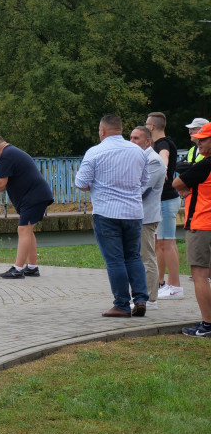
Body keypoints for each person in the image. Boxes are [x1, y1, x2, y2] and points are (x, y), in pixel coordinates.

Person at [75, 115, 149, 317]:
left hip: (106, 213)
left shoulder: (95, 152)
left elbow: (81, 183)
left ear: (102, 131)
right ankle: (141, 299)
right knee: (133, 256)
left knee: (115, 260)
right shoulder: (138, 152)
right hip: (133, 212)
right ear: (121, 130)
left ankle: (122, 305)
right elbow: (144, 181)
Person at [0, 135, 54, 279]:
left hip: (34, 196)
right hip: (36, 195)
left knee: (23, 229)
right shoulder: (11, 153)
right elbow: (5, 185)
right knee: (28, 230)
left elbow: (1, 183)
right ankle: (32, 268)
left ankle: (17, 269)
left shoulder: (6, 156)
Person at [171, 121, 211, 337]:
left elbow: (177, 183)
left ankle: (207, 324)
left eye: (204, 138)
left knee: (200, 276)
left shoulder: (206, 164)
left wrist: (188, 184)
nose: (198, 141)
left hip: (201, 223)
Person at [146, 112, 183, 300]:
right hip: (163, 200)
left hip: (167, 199)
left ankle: (175, 286)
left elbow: (164, 156)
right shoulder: (162, 143)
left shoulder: (163, 144)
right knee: (161, 243)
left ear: (151, 127)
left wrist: (161, 169)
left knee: (167, 243)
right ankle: (161, 282)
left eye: (146, 124)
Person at [129, 125, 167, 312]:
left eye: (136, 138)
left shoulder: (154, 161)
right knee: (137, 256)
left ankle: (151, 298)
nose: (132, 141)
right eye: (131, 137)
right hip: (136, 215)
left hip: (146, 216)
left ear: (148, 142)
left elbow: (142, 190)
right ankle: (140, 295)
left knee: (146, 257)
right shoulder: (140, 159)